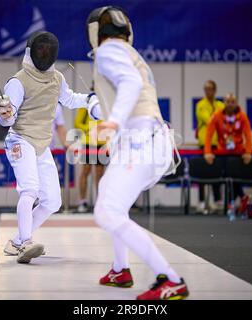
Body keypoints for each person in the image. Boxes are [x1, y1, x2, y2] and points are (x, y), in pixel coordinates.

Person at [86, 6, 189, 300]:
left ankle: (171, 279)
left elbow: (130, 85)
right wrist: (115, 133)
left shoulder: (108, 51)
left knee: (106, 211)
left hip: (142, 142)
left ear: (96, 32)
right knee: (108, 195)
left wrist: (113, 122)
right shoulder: (132, 54)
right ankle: (121, 270)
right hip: (149, 141)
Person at [0, 31, 101, 264]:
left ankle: (15, 242)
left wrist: (91, 101)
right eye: (40, 49)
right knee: (30, 189)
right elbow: (6, 118)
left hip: (42, 145)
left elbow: (70, 99)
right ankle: (25, 242)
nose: (44, 53)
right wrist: (4, 115)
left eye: (47, 49)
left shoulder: (57, 79)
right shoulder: (18, 81)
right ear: (31, 51)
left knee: (53, 201)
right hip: (20, 140)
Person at [204, 93, 252, 212]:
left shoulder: (242, 116)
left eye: (233, 101)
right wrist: (208, 152)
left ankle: (231, 202)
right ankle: (236, 199)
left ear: (236, 103)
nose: (230, 104)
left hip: (238, 153)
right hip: (222, 152)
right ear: (224, 102)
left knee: (234, 177)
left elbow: (248, 135)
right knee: (223, 175)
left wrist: (248, 152)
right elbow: (208, 135)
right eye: (228, 101)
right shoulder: (217, 115)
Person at [195, 80, 224, 213]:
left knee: (216, 173)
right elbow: (210, 120)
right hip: (204, 143)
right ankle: (201, 201)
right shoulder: (200, 105)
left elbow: (222, 120)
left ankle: (216, 201)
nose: (208, 91)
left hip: (217, 144)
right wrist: (218, 118)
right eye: (206, 89)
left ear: (215, 90)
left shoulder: (220, 105)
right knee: (202, 173)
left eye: (211, 89)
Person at [74, 106, 106, 213]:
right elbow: (77, 123)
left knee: (100, 173)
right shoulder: (87, 104)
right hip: (88, 142)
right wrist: (92, 128)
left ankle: (100, 201)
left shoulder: (105, 101)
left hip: (102, 142)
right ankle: (82, 201)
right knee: (86, 170)